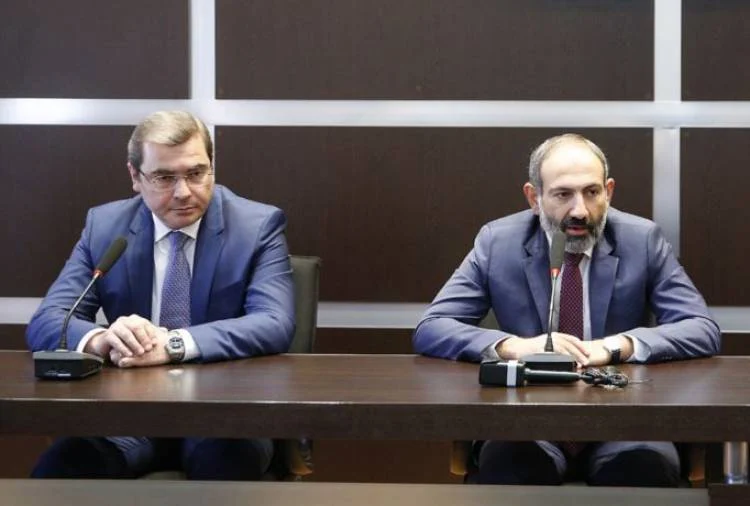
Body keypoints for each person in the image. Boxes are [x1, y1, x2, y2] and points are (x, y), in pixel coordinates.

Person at [413, 133, 720, 486]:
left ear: (609, 192)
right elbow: (433, 326)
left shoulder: (642, 239)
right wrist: (515, 346)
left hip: (624, 418)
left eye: (592, 192)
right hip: (528, 418)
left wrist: (618, 346)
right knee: (511, 471)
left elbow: (700, 327)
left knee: (642, 472)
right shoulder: (498, 242)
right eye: (563, 194)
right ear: (534, 197)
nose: (580, 211)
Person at [26, 110, 295, 480]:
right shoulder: (105, 227)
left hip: (222, 412)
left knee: (226, 466)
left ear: (212, 167)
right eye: (165, 177)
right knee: (62, 467)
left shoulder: (256, 226)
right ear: (135, 177)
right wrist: (104, 339)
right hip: (130, 413)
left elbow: (275, 322)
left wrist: (172, 344)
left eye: (196, 173)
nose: (183, 192)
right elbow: (49, 320)